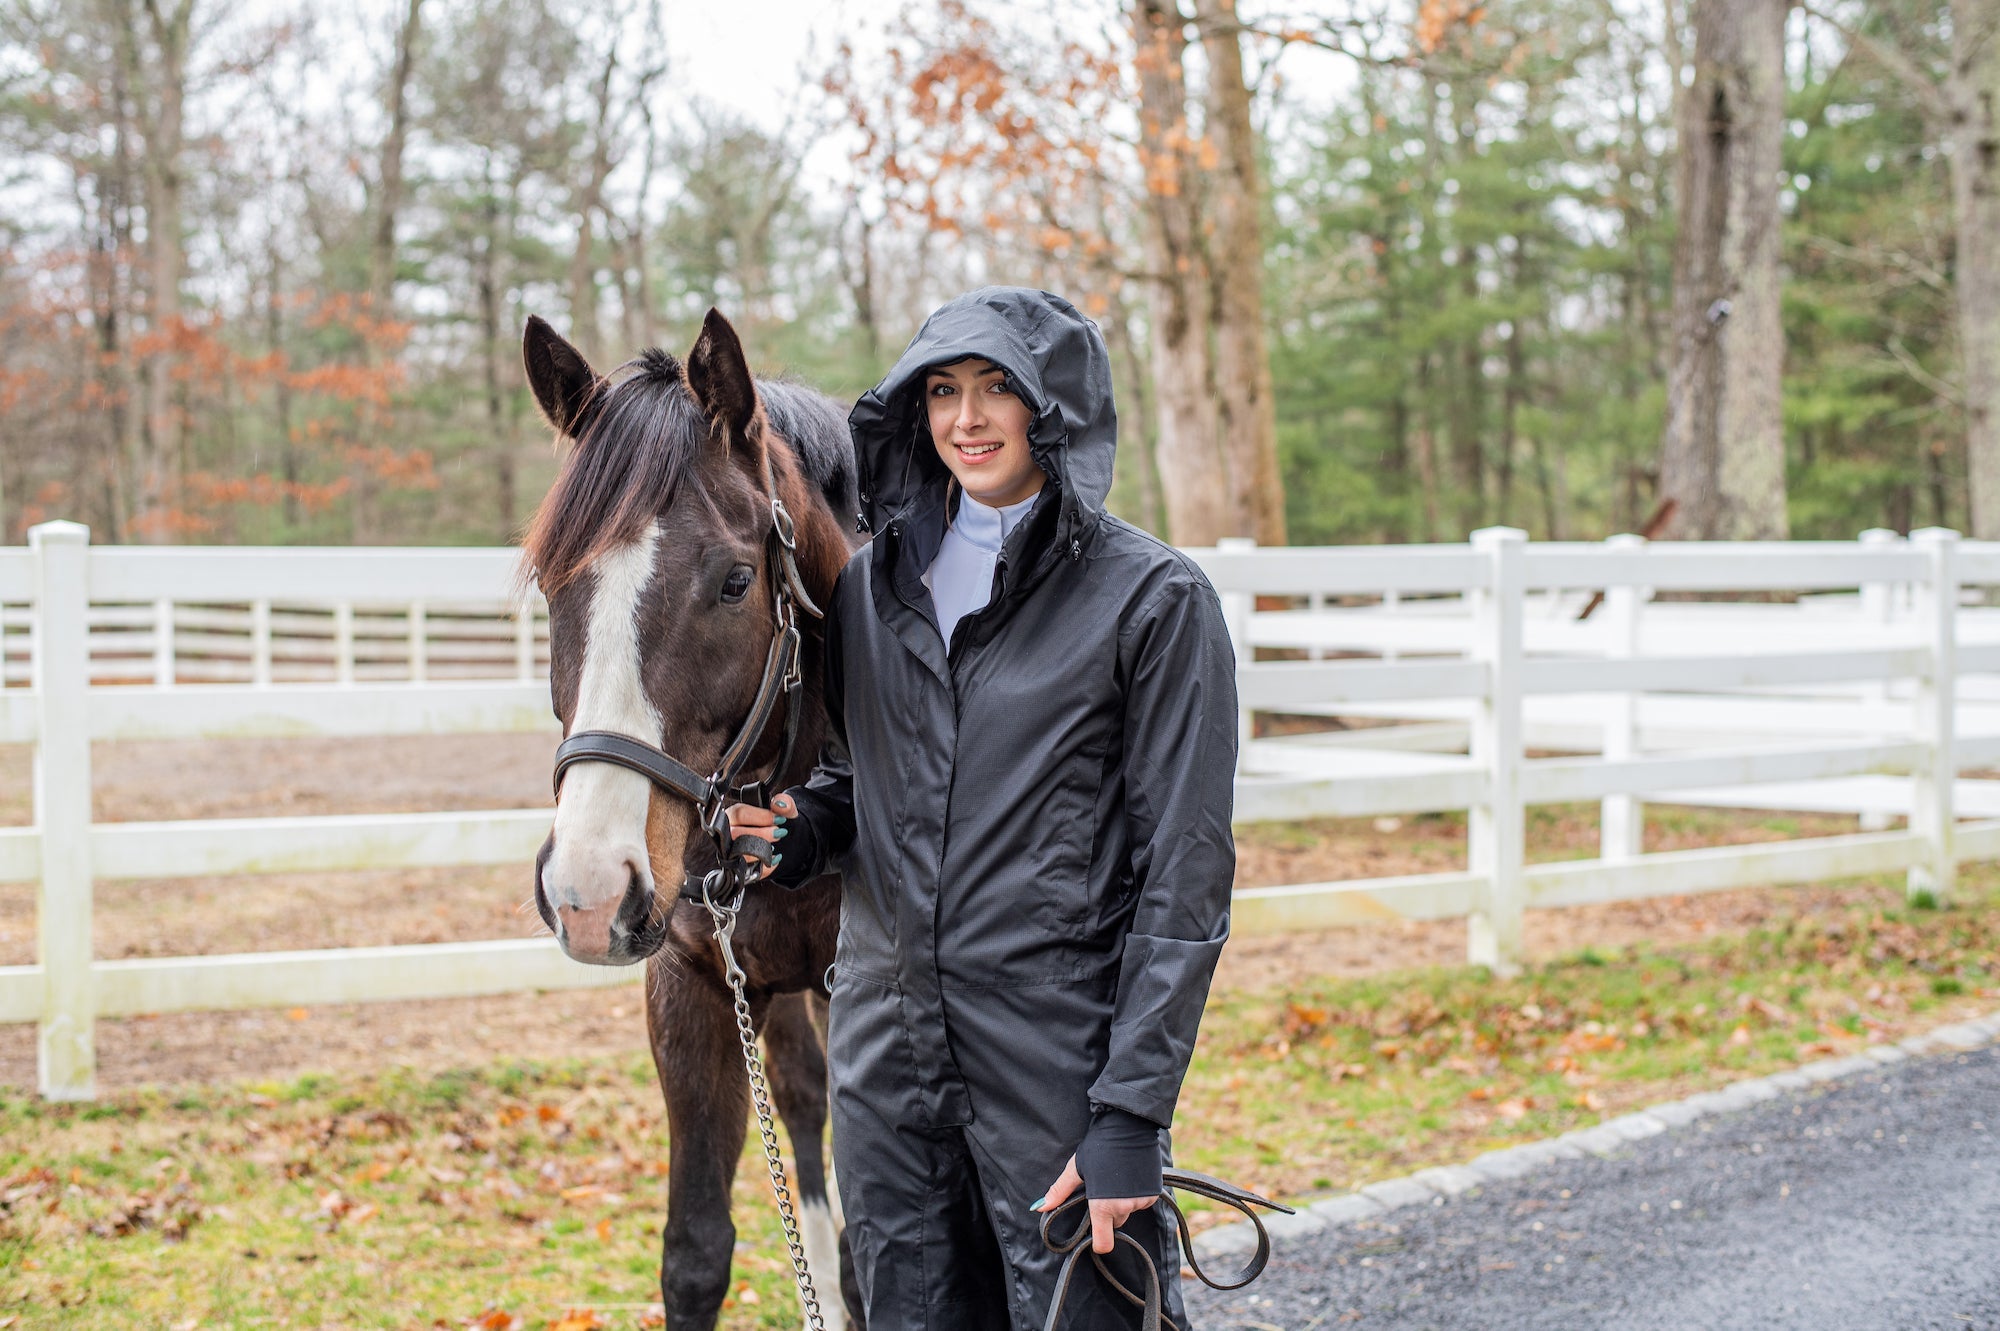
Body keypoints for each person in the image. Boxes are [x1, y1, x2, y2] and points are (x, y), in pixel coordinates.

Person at [728, 286, 1237, 1329]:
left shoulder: (1153, 599)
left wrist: (1131, 1112)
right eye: (943, 390)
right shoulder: (873, 588)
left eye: (997, 388)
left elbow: (1184, 879)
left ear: (1053, 407)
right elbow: (861, 779)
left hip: (1054, 1059)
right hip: (885, 1055)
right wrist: (798, 830)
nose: (967, 418)